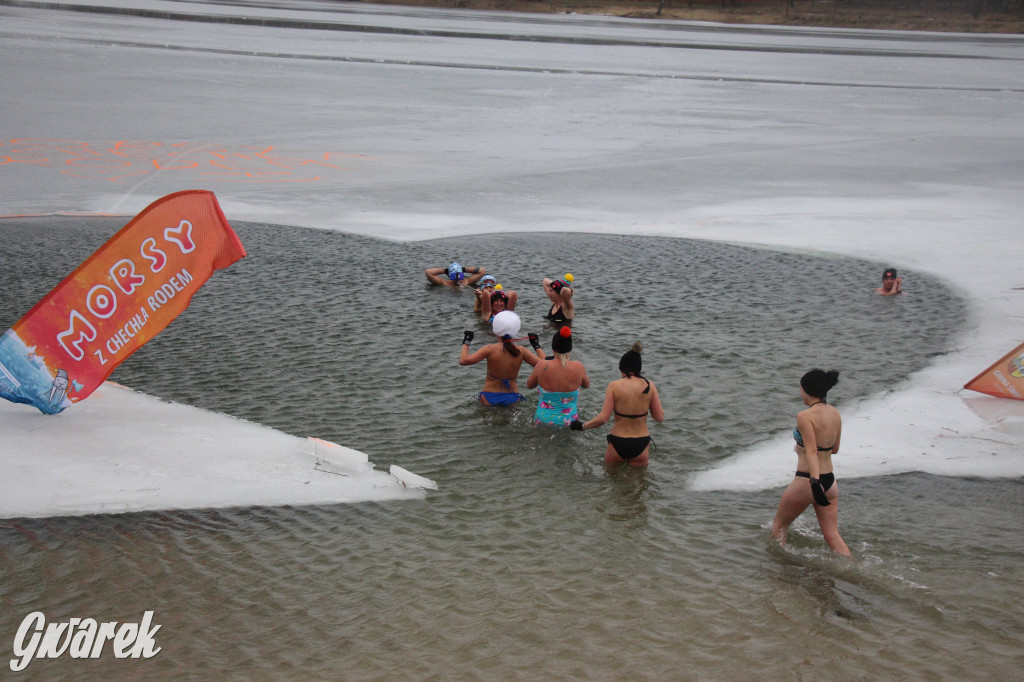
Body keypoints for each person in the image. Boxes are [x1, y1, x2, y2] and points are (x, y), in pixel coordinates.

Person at [770, 369, 851, 555]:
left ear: (807, 389)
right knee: (832, 535)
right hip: (830, 481)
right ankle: (852, 566)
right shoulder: (835, 413)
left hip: (807, 481)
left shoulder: (804, 416)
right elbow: (835, 449)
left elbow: (812, 451)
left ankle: (777, 567)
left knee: (778, 527)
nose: (800, 392)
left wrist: (814, 481)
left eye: (801, 388)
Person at [569, 342, 664, 466]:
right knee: (640, 478)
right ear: (638, 369)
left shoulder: (614, 386)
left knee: (612, 477)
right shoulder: (650, 386)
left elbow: (603, 418)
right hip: (641, 442)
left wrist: (582, 426)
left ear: (623, 369)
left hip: (617, 442)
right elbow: (659, 417)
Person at [459, 311, 542, 406]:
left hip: (489, 396)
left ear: (496, 331)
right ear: (515, 330)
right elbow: (544, 365)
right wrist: (536, 345)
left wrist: (467, 341)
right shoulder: (521, 351)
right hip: (512, 397)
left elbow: (463, 361)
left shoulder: (489, 349)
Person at [526, 326, 590, 425]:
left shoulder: (541, 365)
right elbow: (586, 385)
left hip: (543, 420)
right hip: (569, 421)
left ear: (553, 348)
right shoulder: (579, 367)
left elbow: (529, 385)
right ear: (570, 348)